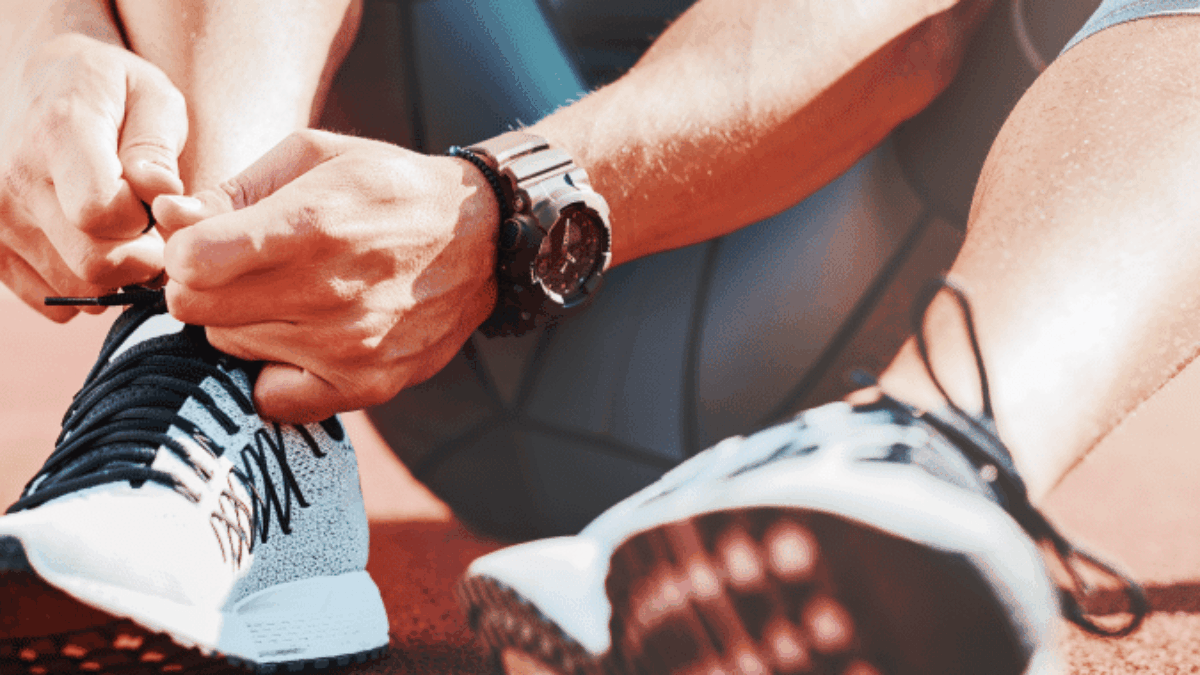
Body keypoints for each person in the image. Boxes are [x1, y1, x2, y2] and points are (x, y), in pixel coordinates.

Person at [0, 0, 1194, 671]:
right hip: (362, 323)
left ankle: (921, 452)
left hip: (834, 310)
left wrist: (506, 211)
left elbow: (909, 29)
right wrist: (50, 52)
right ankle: (212, 371)